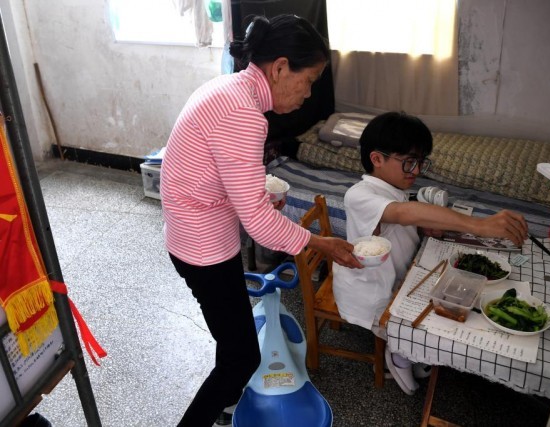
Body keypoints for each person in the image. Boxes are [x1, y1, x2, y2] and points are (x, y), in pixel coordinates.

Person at [160, 14, 362, 427]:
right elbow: (256, 221)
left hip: (191, 232)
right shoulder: (243, 114)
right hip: (202, 247)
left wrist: (252, 202)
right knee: (241, 357)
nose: (308, 93)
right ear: (281, 67)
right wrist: (321, 243)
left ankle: (226, 404)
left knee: (231, 337)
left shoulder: (230, 89)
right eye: (309, 80)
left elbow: (217, 179)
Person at [332, 111, 528, 395]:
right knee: (433, 324)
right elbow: (401, 214)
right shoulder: (359, 195)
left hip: (401, 276)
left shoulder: (395, 187)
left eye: (420, 162)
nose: (416, 171)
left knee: (449, 297)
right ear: (377, 159)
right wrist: (480, 226)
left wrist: (424, 229)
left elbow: (405, 219)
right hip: (371, 293)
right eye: (408, 162)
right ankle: (399, 354)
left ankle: (414, 350)